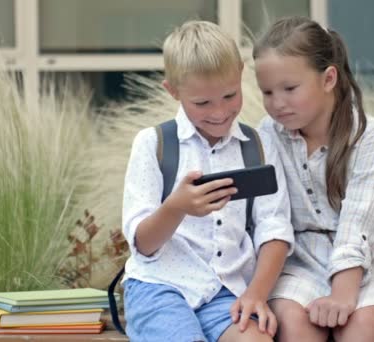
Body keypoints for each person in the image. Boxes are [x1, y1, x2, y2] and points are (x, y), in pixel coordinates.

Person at [121, 20, 294, 342]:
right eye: (202, 103)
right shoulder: (152, 143)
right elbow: (143, 244)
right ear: (172, 91)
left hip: (226, 291)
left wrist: (256, 294)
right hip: (161, 287)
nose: (220, 112)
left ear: (241, 74)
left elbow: (274, 227)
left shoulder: (257, 146)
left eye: (230, 95)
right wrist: (176, 207)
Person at [253, 16, 374, 342]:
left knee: (359, 331)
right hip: (299, 263)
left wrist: (343, 294)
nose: (277, 103)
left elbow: (358, 223)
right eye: (267, 92)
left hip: (369, 266)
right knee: (295, 329)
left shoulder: (371, 136)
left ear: (328, 79)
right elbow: (269, 217)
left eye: (289, 88)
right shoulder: (267, 135)